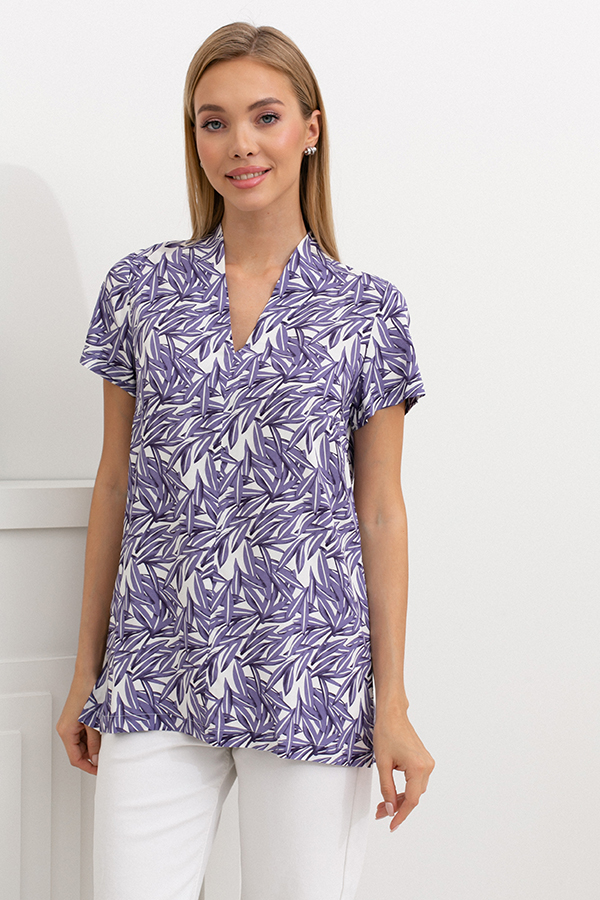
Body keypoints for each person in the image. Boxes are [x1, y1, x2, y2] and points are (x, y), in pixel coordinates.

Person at [56, 21, 435, 900]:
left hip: (311, 670)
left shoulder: (366, 311)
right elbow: (116, 483)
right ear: (194, 139)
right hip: (155, 665)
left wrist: (393, 702)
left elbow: (381, 510)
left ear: (311, 128)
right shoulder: (140, 290)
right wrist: (86, 672)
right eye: (213, 122)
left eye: (265, 116)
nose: (241, 144)